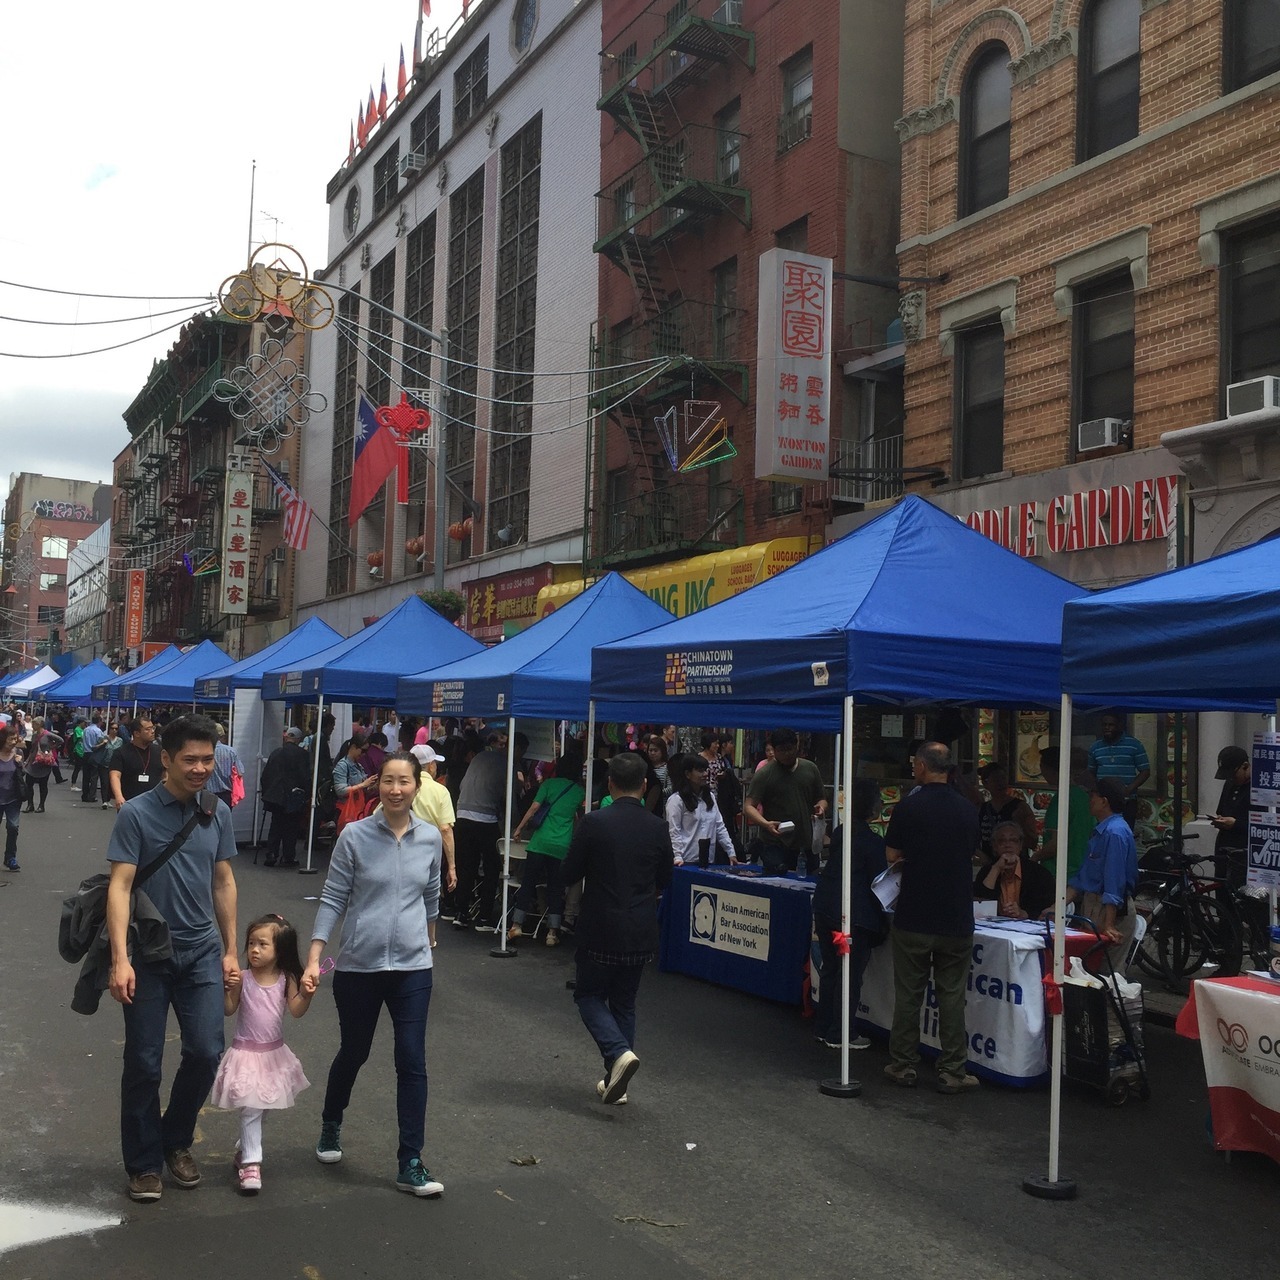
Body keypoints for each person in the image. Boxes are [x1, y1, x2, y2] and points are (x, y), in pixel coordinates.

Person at [106, 715, 239, 1203]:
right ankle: (143, 1163)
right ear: (166, 759)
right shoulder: (136, 814)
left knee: (206, 1051)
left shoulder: (216, 811)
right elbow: (120, 887)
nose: (201, 768)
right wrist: (120, 959)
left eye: (208, 759)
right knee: (144, 1062)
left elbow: (223, 881)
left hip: (202, 952)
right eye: (191, 760)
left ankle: (174, 1139)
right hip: (148, 954)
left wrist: (230, 949)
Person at [303, 752, 445, 1198]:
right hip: (358, 967)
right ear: (376, 785)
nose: (396, 790)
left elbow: (432, 893)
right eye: (388, 781)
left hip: (413, 969)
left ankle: (411, 1161)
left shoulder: (430, 838)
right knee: (354, 1051)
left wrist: (428, 939)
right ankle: (331, 1122)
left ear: (417, 786)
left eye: (404, 781)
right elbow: (333, 897)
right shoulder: (355, 835)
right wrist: (315, 955)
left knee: (412, 1059)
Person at [563, 751, 673, 1106]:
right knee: (624, 1003)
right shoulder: (657, 826)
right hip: (640, 926)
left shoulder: (594, 822)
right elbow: (666, 878)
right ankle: (616, 1081)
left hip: (600, 924)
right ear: (644, 784)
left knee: (588, 995)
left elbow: (569, 872)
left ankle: (617, 1054)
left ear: (609, 784)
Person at [883, 741, 981, 1094]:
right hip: (956, 915)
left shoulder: (908, 807)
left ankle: (903, 1064)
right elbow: (972, 852)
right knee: (952, 996)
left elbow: (892, 854)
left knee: (909, 994)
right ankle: (953, 1069)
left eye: (915, 764)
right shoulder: (968, 808)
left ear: (923, 767)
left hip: (914, 913)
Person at [211, 913, 313, 1195]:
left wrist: (306, 994)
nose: (254, 950)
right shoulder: (244, 978)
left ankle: (245, 1147)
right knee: (252, 1108)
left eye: (262, 944)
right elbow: (229, 1009)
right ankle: (251, 1163)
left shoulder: (286, 979)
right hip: (246, 1053)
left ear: (280, 950)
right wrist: (228, 988)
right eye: (251, 943)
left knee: (263, 1106)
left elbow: (296, 1011)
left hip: (272, 1055)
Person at [812, 778, 887, 1050]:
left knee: (831, 968)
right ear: (872, 808)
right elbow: (879, 880)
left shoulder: (841, 832)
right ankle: (842, 1032)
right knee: (849, 974)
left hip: (826, 905)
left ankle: (825, 1026)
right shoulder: (872, 842)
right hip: (851, 913)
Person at [1045, 777, 1139, 972]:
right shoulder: (1100, 830)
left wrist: (1109, 924)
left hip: (1110, 910)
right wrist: (1056, 907)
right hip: (1093, 906)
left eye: (1092, 796)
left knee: (1106, 973)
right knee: (1086, 970)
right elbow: (1083, 878)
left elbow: (1114, 881)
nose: (1090, 800)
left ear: (1104, 801)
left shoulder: (1115, 832)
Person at [508, 754, 586, 947]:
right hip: (562, 845)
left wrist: (519, 828)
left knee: (528, 883)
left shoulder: (548, 784)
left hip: (540, 842)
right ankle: (552, 932)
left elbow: (534, 808)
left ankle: (517, 925)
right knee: (555, 888)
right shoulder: (579, 791)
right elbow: (579, 816)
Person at [453, 725, 518, 930]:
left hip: (462, 815)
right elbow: (510, 800)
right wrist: (514, 825)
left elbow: (463, 785)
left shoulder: (479, 757)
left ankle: (461, 913)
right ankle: (484, 917)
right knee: (491, 869)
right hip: (485, 819)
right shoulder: (507, 764)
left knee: (467, 867)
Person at [743, 728, 827, 873]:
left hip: (805, 843)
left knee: (808, 881)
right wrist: (766, 824)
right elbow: (748, 807)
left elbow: (821, 798)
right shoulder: (765, 774)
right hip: (775, 843)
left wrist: (821, 807)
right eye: (781, 750)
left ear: (796, 746)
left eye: (789, 749)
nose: (787, 754)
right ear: (774, 750)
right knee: (777, 879)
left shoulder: (810, 769)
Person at [404, 744, 459, 931]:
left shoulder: (401, 787)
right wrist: (451, 866)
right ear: (431, 765)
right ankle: (426, 937)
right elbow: (445, 829)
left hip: (401, 848)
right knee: (428, 897)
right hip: (428, 853)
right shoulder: (440, 791)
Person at [665, 753, 737, 868]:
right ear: (688, 774)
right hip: (685, 861)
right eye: (700, 771)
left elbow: (719, 826)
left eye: (705, 770)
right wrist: (677, 856)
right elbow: (674, 831)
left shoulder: (710, 797)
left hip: (708, 860)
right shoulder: (676, 800)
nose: (705, 774)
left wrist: (731, 852)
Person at [974, 821, 1055, 920]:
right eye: (1002, 841)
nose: (1007, 845)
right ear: (994, 846)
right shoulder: (987, 871)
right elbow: (980, 902)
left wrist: (1024, 913)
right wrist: (996, 869)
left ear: (1020, 845)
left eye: (1013, 840)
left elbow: (1046, 907)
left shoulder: (1039, 873)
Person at [1034, 745, 1093, 880]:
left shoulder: (1061, 799)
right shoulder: (1085, 797)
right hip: (1082, 870)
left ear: (1051, 769)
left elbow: (1056, 843)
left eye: (1041, 766)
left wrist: (1035, 857)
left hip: (1059, 872)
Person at [260, 727, 313, 867]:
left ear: (287, 737)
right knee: (291, 827)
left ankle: (271, 853)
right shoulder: (302, 754)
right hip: (293, 795)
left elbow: (265, 776)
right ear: (298, 739)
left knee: (276, 825)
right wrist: (307, 794)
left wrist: (267, 792)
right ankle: (288, 856)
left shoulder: (275, 753)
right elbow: (305, 776)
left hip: (275, 795)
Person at [1087, 713, 1150, 829]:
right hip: (1103, 801)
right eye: (1104, 725)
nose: (1107, 728)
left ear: (1119, 726)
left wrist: (1128, 790)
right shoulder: (1095, 747)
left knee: (1123, 831)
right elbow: (1091, 772)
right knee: (1102, 831)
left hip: (1126, 800)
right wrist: (1097, 789)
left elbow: (1145, 771)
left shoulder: (1134, 745)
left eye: (1111, 725)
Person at [1208, 744, 1251, 886]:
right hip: (1224, 848)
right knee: (1221, 888)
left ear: (1245, 766)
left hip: (1245, 851)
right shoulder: (1229, 784)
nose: (1231, 779)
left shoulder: (1259, 789)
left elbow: (1266, 826)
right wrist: (1220, 820)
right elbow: (1221, 810)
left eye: (1233, 775)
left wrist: (1236, 824)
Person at [976, 764, 1038, 861]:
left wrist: (1020, 823)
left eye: (1003, 779)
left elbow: (1033, 843)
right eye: (996, 780)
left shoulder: (1020, 807)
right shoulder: (982, 809)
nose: (1001, 783)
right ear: (985, 783)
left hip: (1016, 863)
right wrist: (983, 857)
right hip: (991, 864)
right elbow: (974, 839)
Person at [110, 717, 163, 811]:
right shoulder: (121, 752)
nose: (152, 731)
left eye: (153, 728)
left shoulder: (159, 751)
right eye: (147, 729)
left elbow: (166, 775)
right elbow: (115, 776)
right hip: (130, 804)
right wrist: (118, 796)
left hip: (155, 804)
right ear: (137, 733)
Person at [22, 716, 63, 814]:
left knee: (43, 784)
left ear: (39, 724)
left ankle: (41, 805)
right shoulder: (34, 735)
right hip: (33, 762)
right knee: (28, 783)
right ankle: (30, 804)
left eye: (34, 724)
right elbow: (32, 749)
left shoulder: (47, 734)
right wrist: (27, 761)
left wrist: (51, 747)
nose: (32, 726)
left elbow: (61, 740)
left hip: (44, 762)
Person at [1, 726, 26, 870]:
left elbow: (22, 774)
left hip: (13, 798)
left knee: (13, 827)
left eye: (15, 739)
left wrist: (19, 764)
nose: (13, 742)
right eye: (10, 739)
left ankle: (10, 858)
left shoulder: (18, 752)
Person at [209, 723, 244, 812]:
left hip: (207, 794)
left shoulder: (204, 751)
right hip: (226, 795)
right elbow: (240, 772)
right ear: (222, 736)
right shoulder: (231, 751)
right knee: (224, 818)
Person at [98, 723, 125, 809]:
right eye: (112, 728)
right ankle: (104, 801)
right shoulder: (103, 738)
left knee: (111, 783)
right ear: (109, 729)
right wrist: (102, 744)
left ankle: (108, 799)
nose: (114, 730)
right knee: (104, 782)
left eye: (116, 729)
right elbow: (95, 748)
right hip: (104, 763)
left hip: (115, 765)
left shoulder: (120, 741)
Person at [81, 714, 107, 804]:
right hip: (94, 753)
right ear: (99, 721)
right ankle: (92, 795)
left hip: (86, 753)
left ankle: (84, 794)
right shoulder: (98, 731)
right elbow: (101, 742)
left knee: (85, 775)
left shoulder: (86, 730)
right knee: (94, 776)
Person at [645, 734, 672, 801]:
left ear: (662, 751)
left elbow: (670, 788)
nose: (652, 753)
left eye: (655, 750)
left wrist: (656, 794)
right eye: (650, 750)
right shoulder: (645, 766)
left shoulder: (668, 768)